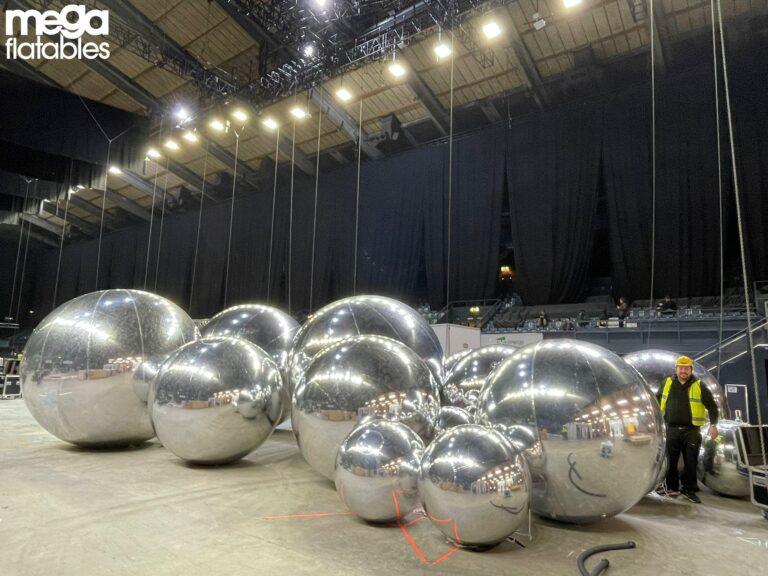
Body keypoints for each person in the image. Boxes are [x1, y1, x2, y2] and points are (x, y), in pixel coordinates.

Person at [655, 355, 719, 503]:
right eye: (681, 368)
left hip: (692, 431)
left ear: (691, 370)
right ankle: (672, 487)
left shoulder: (699, 385)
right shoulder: (667, 383)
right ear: (676, 369)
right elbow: (656, 401)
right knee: (671, 461)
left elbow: (712, 406)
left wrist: (713, 425)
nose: (683, 371)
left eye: (686, 368)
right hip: (671, 429)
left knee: (691, 461)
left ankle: (689, 489)